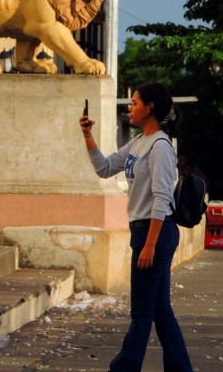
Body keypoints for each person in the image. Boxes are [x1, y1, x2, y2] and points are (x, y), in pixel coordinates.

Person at [79, 83, 194, 372]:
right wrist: (87, 135)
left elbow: (161, 198)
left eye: (135, 103)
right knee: (159, 311)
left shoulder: (161, 147)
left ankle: (124, 368)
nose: (130, 108)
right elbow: (105, 168)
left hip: (156, 231)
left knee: (141, 313)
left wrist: (150, 245)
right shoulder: (139, 142)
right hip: (145, 231)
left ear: (150, 107)